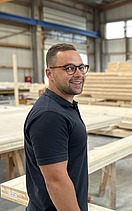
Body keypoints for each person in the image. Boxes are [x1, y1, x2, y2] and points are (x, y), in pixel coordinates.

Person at [24, 43, 91, 211]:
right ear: (50, 73)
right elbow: (56, 182)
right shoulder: (49, 116)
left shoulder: (64, 107)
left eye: (81, 68)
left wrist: (79, 192)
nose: (78, 74)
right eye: (69, 68)